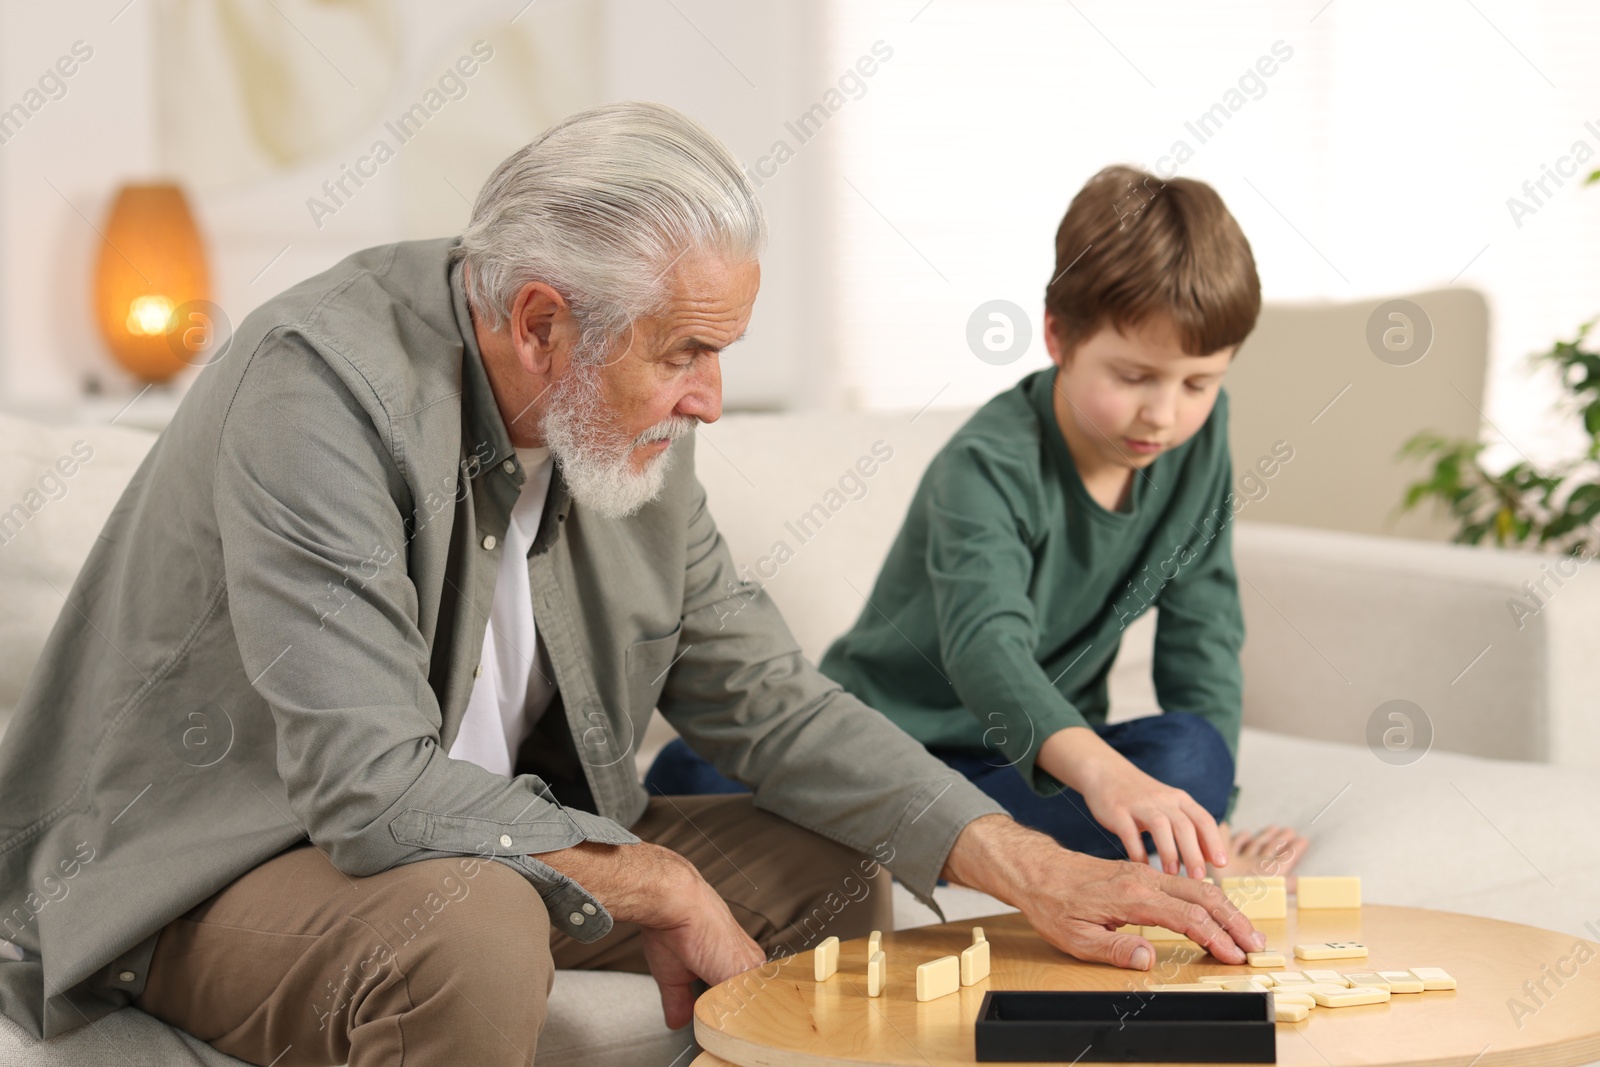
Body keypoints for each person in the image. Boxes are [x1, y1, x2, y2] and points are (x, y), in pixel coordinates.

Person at [0, 113, 1262, 1067]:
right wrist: (656, 880)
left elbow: (765, 697)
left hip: (499, 837)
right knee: (472, 924)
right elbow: (369, 789)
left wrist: (1028, 862)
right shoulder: (317, 392)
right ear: (542, 321)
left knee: (830, 860)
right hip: (225, 865)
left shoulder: (627, 424)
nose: (711, 396)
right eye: (686, 354)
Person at [648, 165, 1310, 886]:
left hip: (1032, 765)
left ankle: (920, 844)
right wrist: (1109, 780)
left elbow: (1204, 636)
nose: (1164, 413)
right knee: (689, 775)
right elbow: (986, 649)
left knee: (1194, 757)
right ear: (1058, 335)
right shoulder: (988, 463)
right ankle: (930, 836)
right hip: (884, 749)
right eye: (1133, 377)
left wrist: (1203, 824)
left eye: (1198, 384)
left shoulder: (1198, 445)